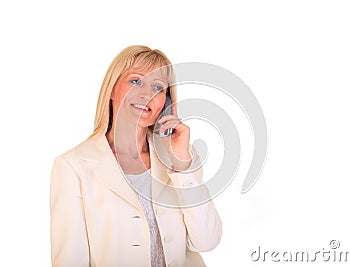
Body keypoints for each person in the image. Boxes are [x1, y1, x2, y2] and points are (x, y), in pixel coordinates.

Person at [50, 45, 222, 267]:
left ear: (167, 102)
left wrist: (182, 166)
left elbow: (208, 240)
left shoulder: (179, 158)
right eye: (135, 81)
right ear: (112, 89)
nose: (147, 94)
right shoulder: (73, 167)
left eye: (158, 87)